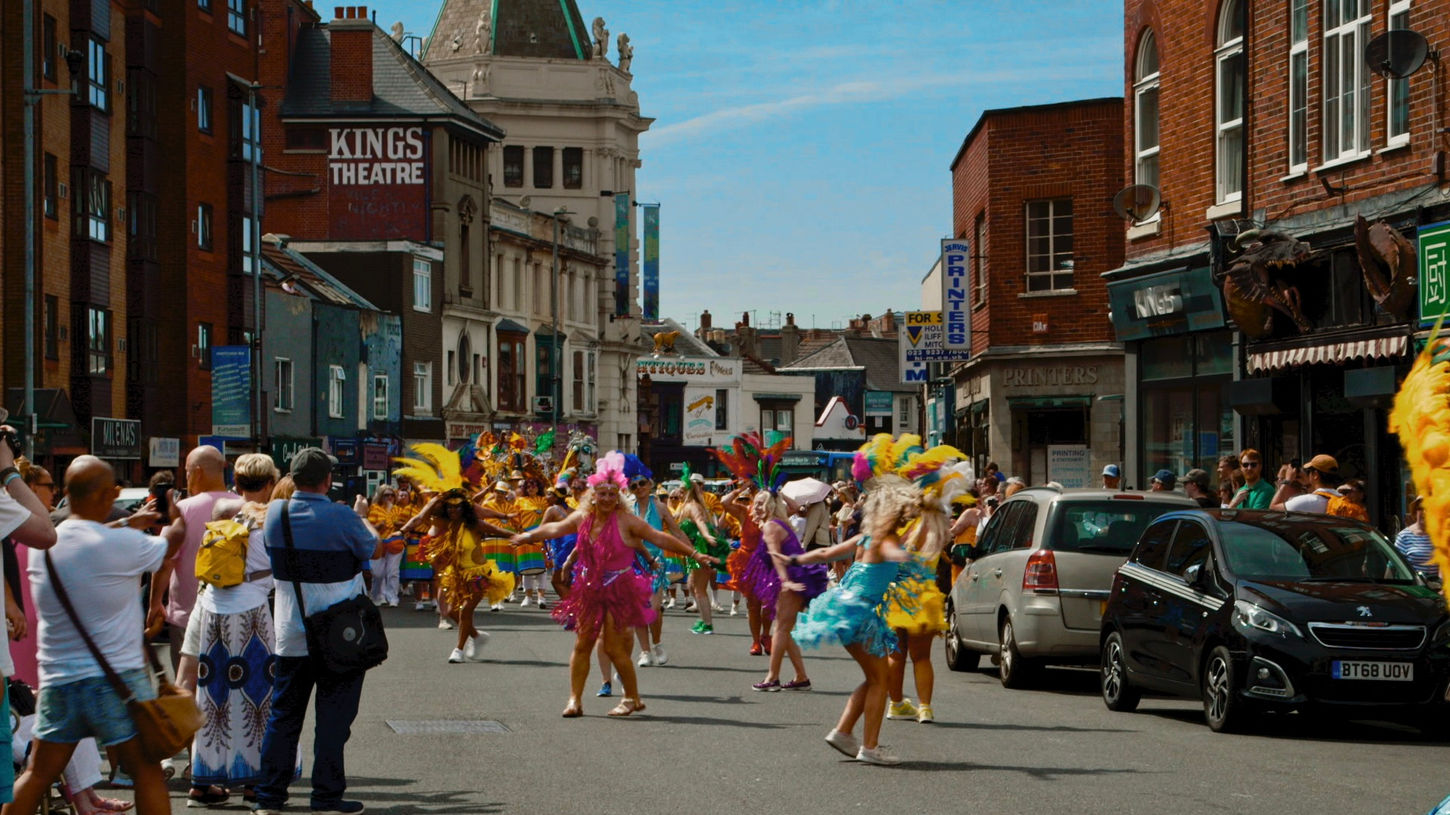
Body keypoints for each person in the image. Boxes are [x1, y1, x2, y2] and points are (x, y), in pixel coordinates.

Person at [8, 457, 171, 815]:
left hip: (59, 679)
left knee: (37, 774)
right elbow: (171, 545)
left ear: (67, 493)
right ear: (109, 495)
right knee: (146, 772)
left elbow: (83, 536)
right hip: (118, 679)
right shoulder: (123, 544)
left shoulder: (46, 544)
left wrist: (127, 521)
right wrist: (171, 516)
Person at [512, 452, 714, 718]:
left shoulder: (627, 521)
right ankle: (575, 700)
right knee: (582, 644)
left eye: (611, 494)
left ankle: (631, 698)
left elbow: (660, 537)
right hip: (589, 588)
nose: (606, 498)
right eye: (601, 494)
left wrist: (694, 554)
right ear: (592, 495)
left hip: (619, 589)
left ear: (617, 496)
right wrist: (527, 535)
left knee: (614, 647)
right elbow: (554, 529)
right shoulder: (582, 519)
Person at [253, 448, 381, 815]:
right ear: (328, 480)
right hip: (340, 636)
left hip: (291, 632)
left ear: (292, 479)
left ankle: (269, 799)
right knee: (333, 721)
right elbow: (371, 548)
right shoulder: (341, 515)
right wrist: (363, 517)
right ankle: (325, 797)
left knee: (283, 718)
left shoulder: (275, 514)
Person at [788, 475, 918, 766]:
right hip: (859, 613)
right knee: (880, 679)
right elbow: (899, 554)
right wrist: (918, 549)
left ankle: (844, 732)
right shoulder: (887, 541)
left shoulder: (865, 537)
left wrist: (794, 560)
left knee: (875, 677)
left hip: (842, 607)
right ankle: (869, 747)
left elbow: (823, 553)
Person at [179, 453, 282, 807]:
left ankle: (202, 781)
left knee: (212, 695)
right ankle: (254, 784)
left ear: (237, 482)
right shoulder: (273, 520)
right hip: (251, 611)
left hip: (212, 608)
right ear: (269, 483)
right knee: (257, 700)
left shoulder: (223, 510)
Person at [145, 445, 233, 671]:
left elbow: (165, 562)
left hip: (187, 617)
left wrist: (155, 604)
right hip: (234, 614)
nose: (186, 478)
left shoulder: (182, 511)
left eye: (187, 472)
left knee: (188, 688)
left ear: (198, 472)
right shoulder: (242, 508)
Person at [402, 489, 514, 663]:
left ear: (465, 508)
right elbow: (423, 518)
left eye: (457, 508)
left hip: (478, 574)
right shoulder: (446, 525)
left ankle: (458, 649)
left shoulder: (475, 524)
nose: (453, 511)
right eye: (450, 508)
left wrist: (525, 537)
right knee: (447, 610)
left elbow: (500, 531)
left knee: (466, 610)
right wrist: (434, 501)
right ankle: (476, 636)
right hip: (455, 574)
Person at [746, 489, 828, 692]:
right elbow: (793, 507)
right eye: (755, 502)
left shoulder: (771, 526)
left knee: (781, 629)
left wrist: (785, 581)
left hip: (792, 577)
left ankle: (772, 678)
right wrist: (777, 493)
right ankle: (801, 677)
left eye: (760, 503)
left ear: (771, 506)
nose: (756, 507)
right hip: (793, 576)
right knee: (786, 629)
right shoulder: (777, 522)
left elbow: (775, 555)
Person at [677, 474, 727, 635]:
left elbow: (700, 522)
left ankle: (707, 623)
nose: (678, 492)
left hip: (701, 549)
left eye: (681, 490)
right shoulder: (684, 506)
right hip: (692, 550)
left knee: (699, 588)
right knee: (692, 585)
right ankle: (703, 618)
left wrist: (706, 535)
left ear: (687, 492)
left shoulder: (693, 506)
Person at [366, 485, 408, 607]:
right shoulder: (374, 508)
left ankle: (393, 597)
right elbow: (369, 527)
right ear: (380, 496)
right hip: (379, 543)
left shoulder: (398, 509)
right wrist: (378, 526)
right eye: (386, 495)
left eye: (391, 495)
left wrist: (399, 525)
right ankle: (378, 595)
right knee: (378, 573)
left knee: (393, 572)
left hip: (395, 543)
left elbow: (405, 524)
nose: (389, 497)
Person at [1395, 497, 1436, 581]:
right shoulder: (1404, 536)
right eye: (1421, 508)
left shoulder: (1440, 535)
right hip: (1416, 589)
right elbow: (1394, 566)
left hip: (1439, 590)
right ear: (1415, 511)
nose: (1424, 512)